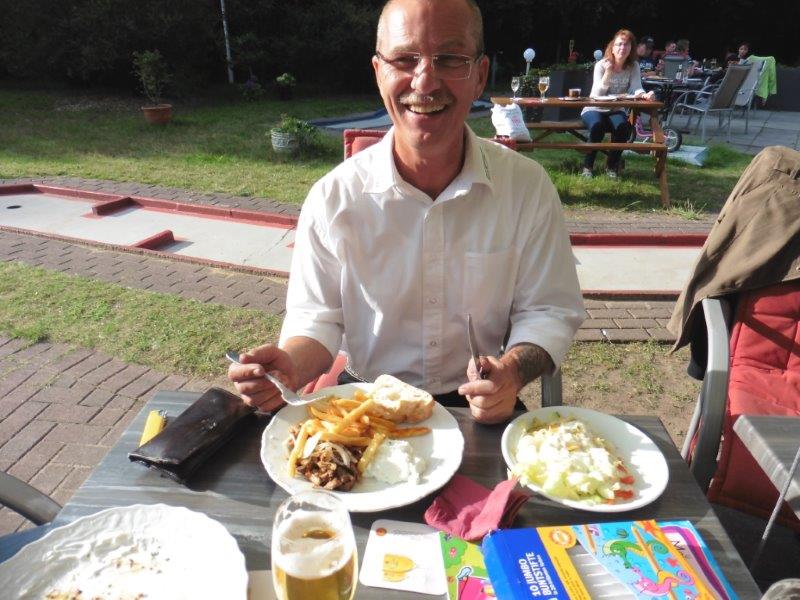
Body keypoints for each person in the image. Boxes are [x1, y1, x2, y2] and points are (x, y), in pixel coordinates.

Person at [227, 0, 584, 425]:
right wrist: (288, 366)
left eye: (449, 59)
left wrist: (512, 371)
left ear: (480, 75)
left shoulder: (526, 188)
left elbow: (547, 310)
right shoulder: (333, 198)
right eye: (404, 59)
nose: (425, 80)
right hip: (365, 406)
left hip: (480, 406)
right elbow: (317, 319)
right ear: (379, 72)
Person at [580, 29, 655, 179]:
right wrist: (608, 72)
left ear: (631, 48)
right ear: (612, 47)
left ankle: (611, 166)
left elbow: (636, 87)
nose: (622, 48)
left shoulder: (633, 66)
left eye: (626, 45)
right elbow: (596, 94)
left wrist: (645, 94)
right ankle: (587, 167)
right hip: (594, 108)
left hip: (615, 109)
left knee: (623, 128)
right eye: (619, 44)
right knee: (597, 127)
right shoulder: (601, 65)